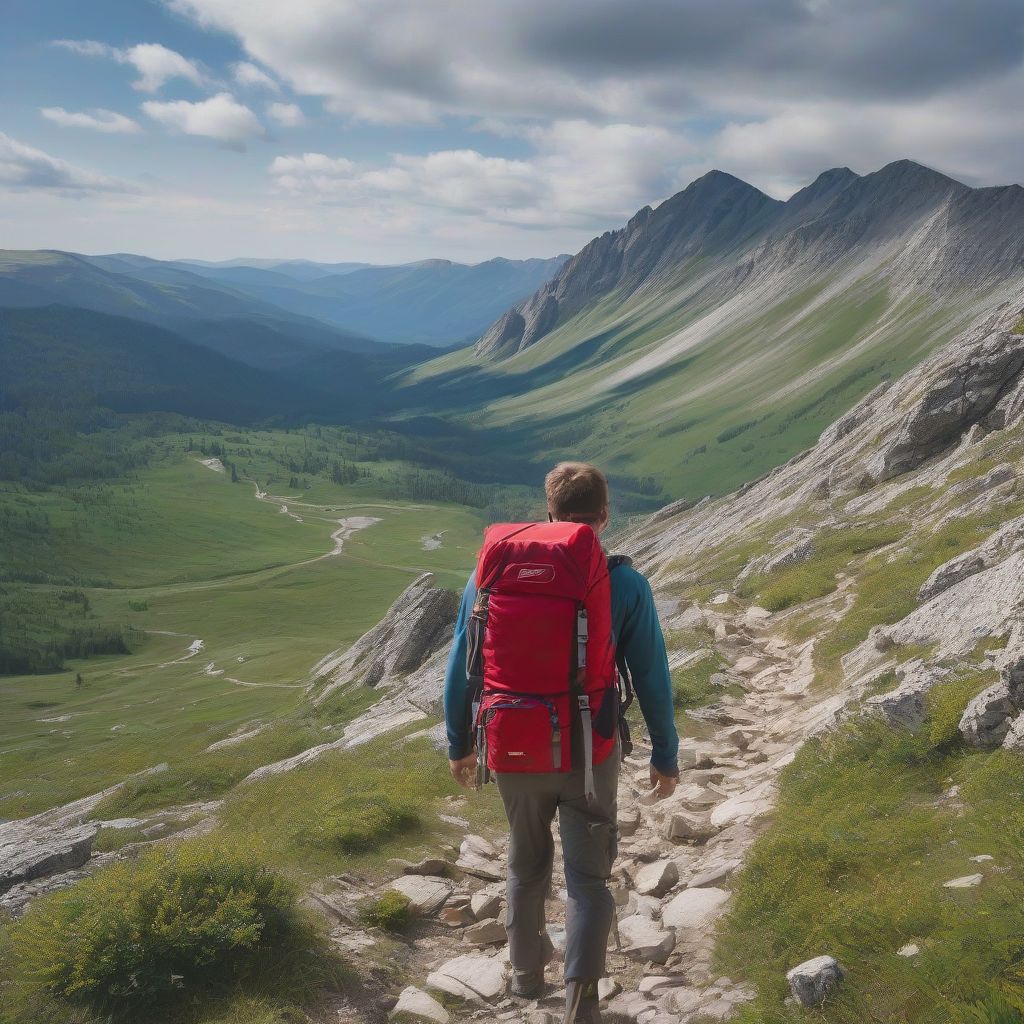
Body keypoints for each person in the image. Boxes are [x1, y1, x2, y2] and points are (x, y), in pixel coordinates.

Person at [444, 462, 679, 1023]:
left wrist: (459, 742)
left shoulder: (491, 572)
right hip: (589, 752)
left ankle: (525, 976)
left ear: (548, 512)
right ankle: (581, 1002)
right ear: (604, 515)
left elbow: (462, 668)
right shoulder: (623, 581)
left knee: (525, 864)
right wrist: (665, 754)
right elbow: (651, 676)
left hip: (514, 745)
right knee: (588, 876)